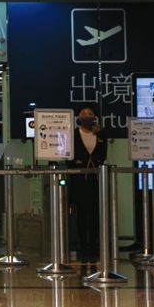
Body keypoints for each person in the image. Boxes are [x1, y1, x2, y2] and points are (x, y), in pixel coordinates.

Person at [67, 107, 108, 260]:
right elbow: (69, 156)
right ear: (79, 117)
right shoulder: (73, 134)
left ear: (94, 117)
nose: (87, 116)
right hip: (79, 179)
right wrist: (78, 163)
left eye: (90, 114)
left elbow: (103, 155)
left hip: (95, 178)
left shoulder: (100, 134)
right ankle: (83, 245)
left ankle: (94, 245)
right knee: (82, 214)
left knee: (95, 213)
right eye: (84, 114)